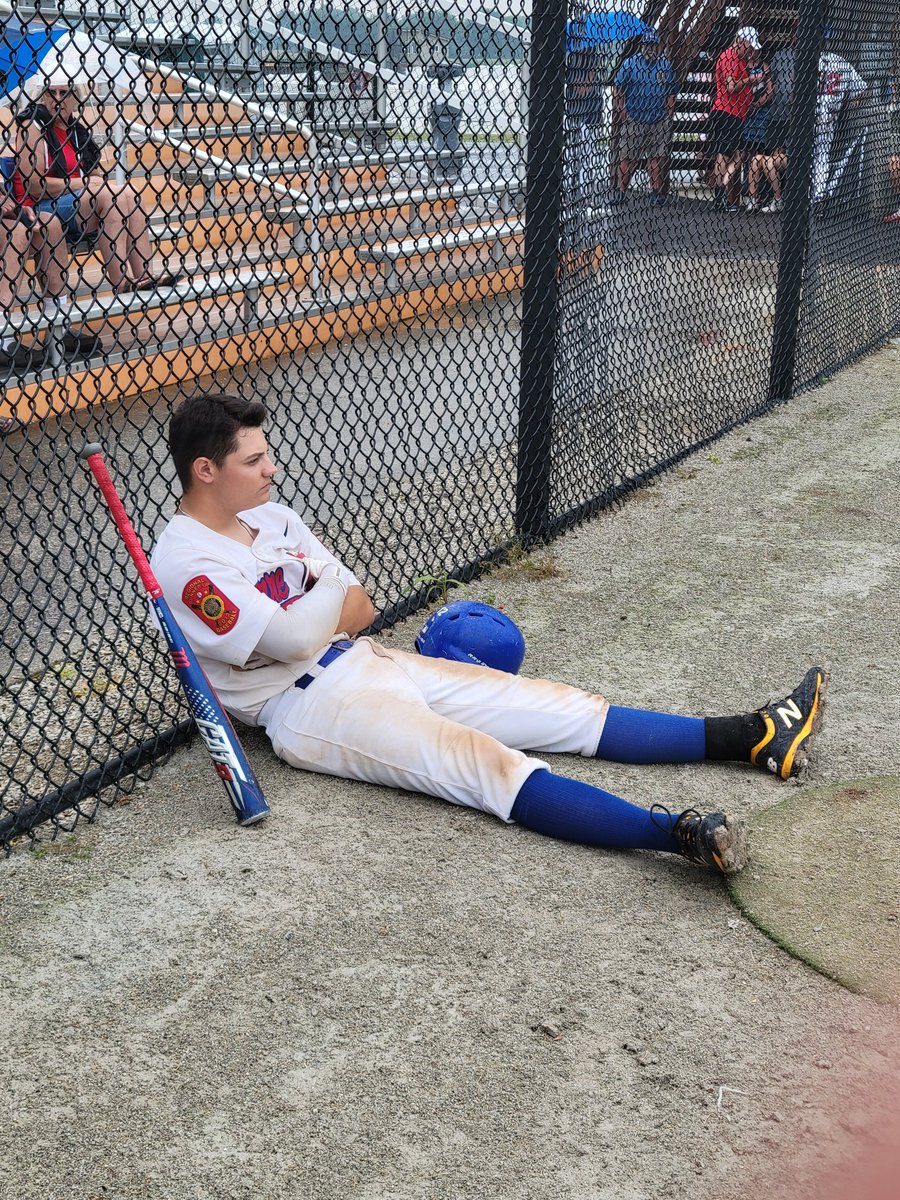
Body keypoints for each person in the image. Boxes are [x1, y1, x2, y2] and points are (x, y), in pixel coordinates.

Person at [148, 392, 831, 878]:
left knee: (560, 707)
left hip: (365, 658)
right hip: (310, 707)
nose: (272, 469)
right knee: (485, 766)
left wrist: (320, 602)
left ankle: (755, 735)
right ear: (206, 471)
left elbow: (362, 607)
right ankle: (679, 834)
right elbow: (301, 636)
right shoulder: (186, 563)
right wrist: (323, 587)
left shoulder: (274, 517)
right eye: (254, 460)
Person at [13, 74, 182, 295]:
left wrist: (93, 183)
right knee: (108, 196)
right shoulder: (33, 125)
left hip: (77, 204)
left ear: (76, 97)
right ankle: (121, 282)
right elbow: (33, 186)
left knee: (129, 194)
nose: (57, 99)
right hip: (41, 207)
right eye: (51, 93)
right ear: (43, 96)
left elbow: (95, 175)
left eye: (64, 93)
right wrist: (80, 183)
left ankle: (143, 276)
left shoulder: (77, 131)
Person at [612, 29, 678, 205]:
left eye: (653, 45)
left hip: (658, 117)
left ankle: (655, 192)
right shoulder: (630, 64)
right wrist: (620, 108)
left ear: (657, 47)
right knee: (627, 157)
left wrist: (668, 113)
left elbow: (672, 91)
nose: (650, 48)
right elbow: (618, 88)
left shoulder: (665, 65)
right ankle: (621, 191)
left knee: (655, 158)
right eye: (647, 45)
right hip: (635, 116)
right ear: (642, 46)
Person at [707, 26, 761, 211]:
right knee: (725, 153)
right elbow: (731, 87)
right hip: (727, 112)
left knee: (738, 154)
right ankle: (719, 197)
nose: (751, 50)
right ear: (741, 41)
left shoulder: (740, 59)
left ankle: (721, 191)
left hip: (736, 114)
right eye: (749, 45)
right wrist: (751, 81)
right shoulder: (730, 57)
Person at [812, 37, 867, 208]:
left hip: (809, 113)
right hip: (830, 115)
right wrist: (846, 104)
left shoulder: (811, 59)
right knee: (822, 154)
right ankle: (818, 196)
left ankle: (807, 197)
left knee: (808, 154)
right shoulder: (842, 63)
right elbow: (862, 91)